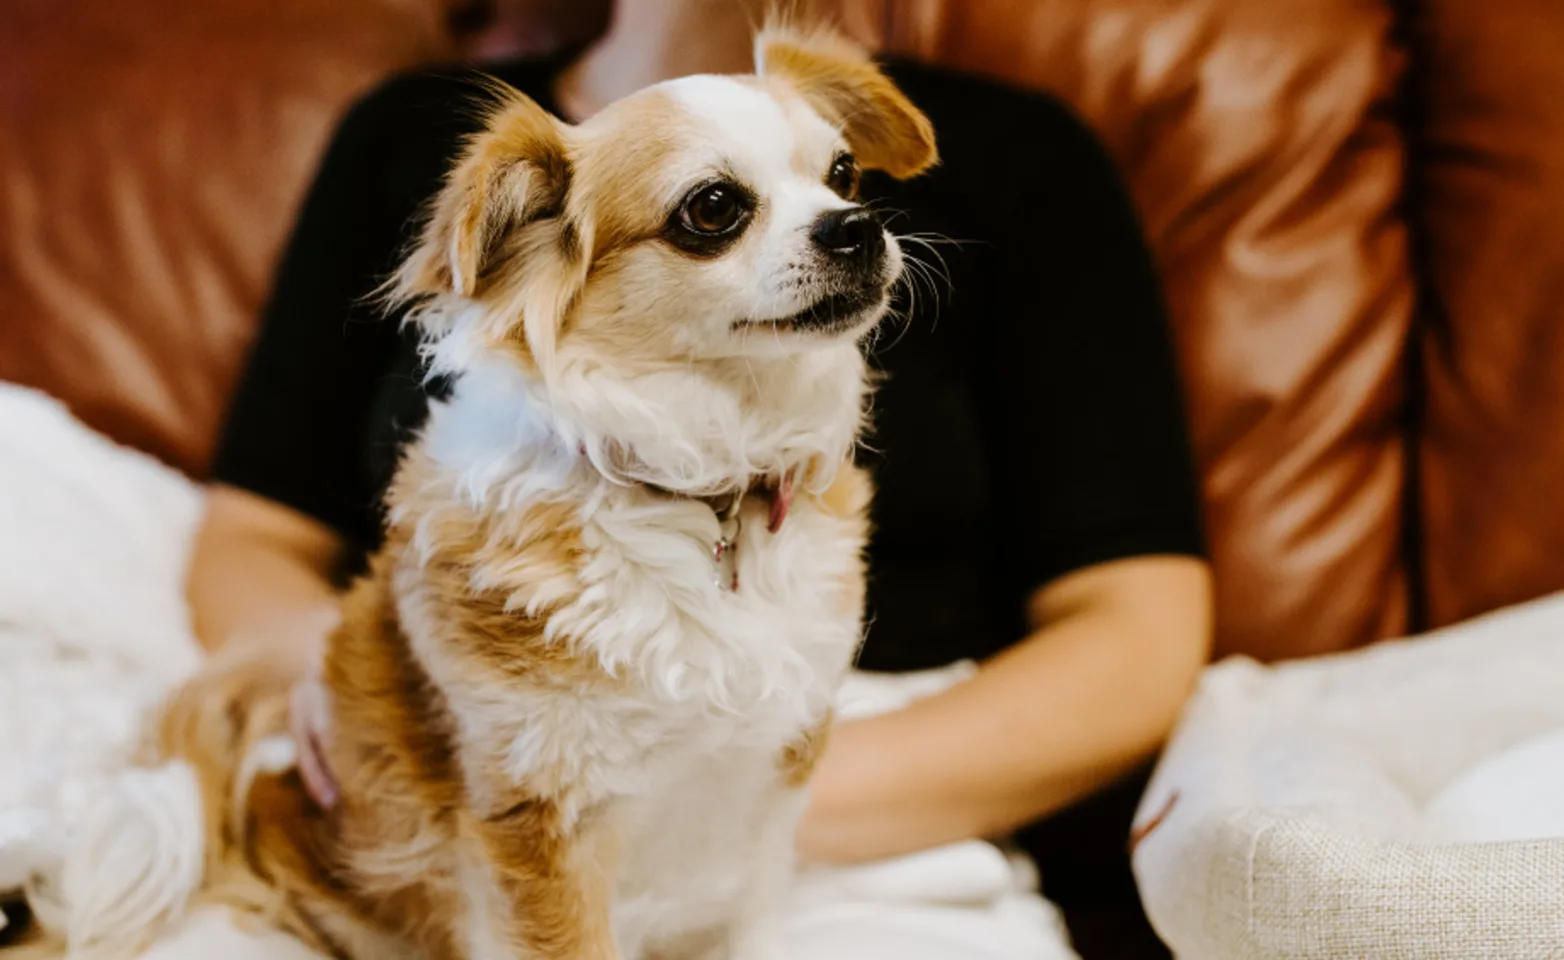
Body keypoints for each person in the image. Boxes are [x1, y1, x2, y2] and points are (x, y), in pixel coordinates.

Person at [184, 0, 1212, 955]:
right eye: (716, 209)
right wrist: (354, 690)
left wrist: (730, 794)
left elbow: (1140, 628)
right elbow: (253, 537)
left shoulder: (1031, 157)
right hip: (449, 800)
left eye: (843, 182)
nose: (841, 222)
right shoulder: (422, 141)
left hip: (888, 812)